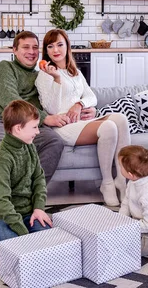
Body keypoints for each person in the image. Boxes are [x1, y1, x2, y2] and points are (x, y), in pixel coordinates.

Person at [36, 29, 129, 207]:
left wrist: (80, 105)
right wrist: (56, 78)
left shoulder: (75, 72)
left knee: (121, 119)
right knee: (109, 127)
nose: (56, 49)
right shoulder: (44, 75)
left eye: (59, 44)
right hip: (64, 126)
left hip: (81, 121)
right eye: (50, 46)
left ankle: (122, 179)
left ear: (67, 46)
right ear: (46, 51)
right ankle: (107, 183)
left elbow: (92, 96)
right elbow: (52, 108)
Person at [0, 31, 72, 183]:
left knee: (54, 141)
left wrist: (82, 106)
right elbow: (11, 101)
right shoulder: (5, 68)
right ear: (14, 50)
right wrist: (45, 118)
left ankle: (33, 193)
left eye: (35, 48)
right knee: (7, 149)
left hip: (30, 124)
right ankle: (15, 197)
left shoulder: (41, 76)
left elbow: (62, 98)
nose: (31, 52)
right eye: (26, 47)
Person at [0, 100, 52, 256]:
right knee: (15, 254)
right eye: (34, 127)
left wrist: (38, 208)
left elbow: (39, 179)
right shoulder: (2, 157)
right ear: (18, 128)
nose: (38, 132)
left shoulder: (29, 145)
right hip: (3, 215)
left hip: (29, 211)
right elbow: (1, 200)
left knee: (50, 246)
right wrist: (22, 232)